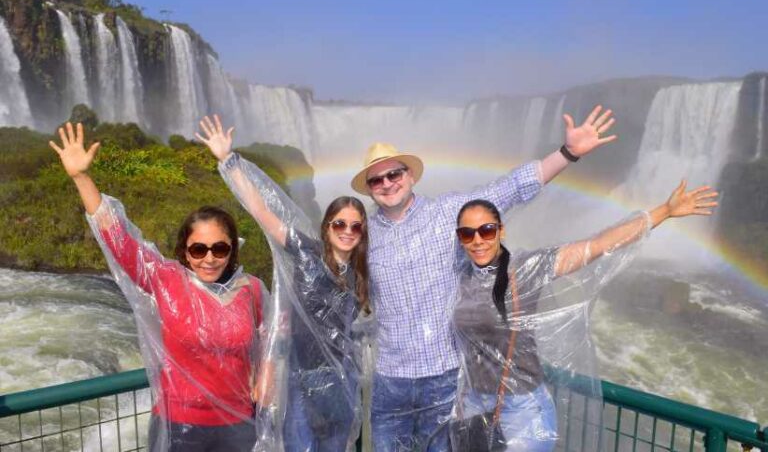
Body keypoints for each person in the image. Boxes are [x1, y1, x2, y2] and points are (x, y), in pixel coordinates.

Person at [349, 105, 617, 451]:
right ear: (369, 189)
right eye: (376, 180)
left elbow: (511, 188)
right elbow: (334, 278)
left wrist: (567, 153)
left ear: (410, 175)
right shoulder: (362, 236)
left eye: (394, 174)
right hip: (390, 382)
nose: (387, 183)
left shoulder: (448, 213)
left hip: (445, 379)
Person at [450, 180, 718, 451]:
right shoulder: (459, 278)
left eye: (486, 230)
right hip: (473, 404)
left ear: (501, 231)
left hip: (521, 408)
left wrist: (665, 211)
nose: (478, 240)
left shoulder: (525, 269)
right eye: (467, 234)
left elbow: (597, 245)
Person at [49, 122, 268, 452]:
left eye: (220, 248)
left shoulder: (252, 290)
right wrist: (81, 177)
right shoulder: (165, 279)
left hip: (240, 426)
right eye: (199, 249)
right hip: (179, 425)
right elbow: (118, 240)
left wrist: (266, 378)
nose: (209, 258)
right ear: (185, 251)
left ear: (232, 249)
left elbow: (273, 342)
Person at [197, 115, 369, 452]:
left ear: (362, 232)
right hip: (299, 378)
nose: (347, 231)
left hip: (342, 379)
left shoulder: (363, 270)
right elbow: (262, 212)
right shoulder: (306, 251)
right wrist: (228, 160)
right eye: (340, 224)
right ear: (327, 226)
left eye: (355, 226)